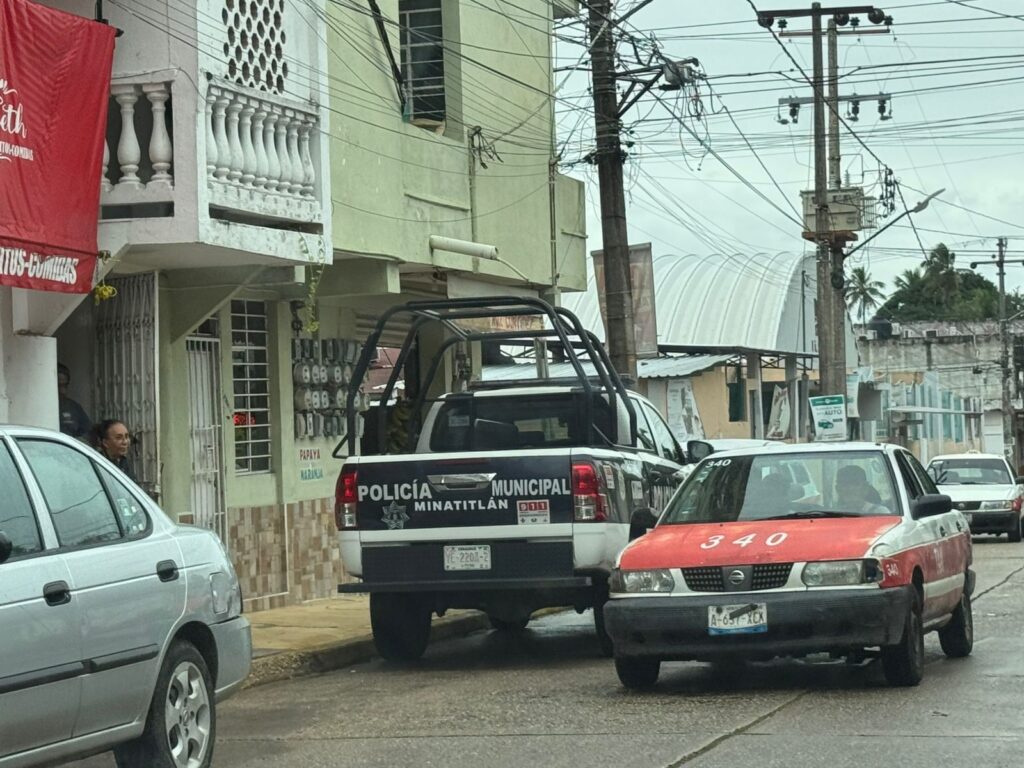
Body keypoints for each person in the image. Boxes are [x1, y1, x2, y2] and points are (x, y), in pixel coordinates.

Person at [57, 363, 92, 440]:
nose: (63, 391)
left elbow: (88, 433)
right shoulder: (38, 408)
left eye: (65, 385)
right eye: (58, 386)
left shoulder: (74, 407)